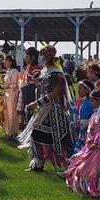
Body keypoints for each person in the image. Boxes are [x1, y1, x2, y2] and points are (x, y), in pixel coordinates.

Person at [22, 45, 73, 173]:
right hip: (43, 109)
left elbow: (55, 92)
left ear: (49, 57)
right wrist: (36, 83)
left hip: (54, 110)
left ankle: (65, 165)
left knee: (59, 139)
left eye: (44, 56)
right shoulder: (45, 71)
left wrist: (36, 103)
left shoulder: (57, 73)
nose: (42, 58)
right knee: (35, 134)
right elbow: (43, 88)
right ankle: (39, 162)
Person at [64, 88, 100, 198]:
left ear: (99, 101)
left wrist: (96, 143)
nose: (91, 103)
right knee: (78, 161)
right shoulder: (97, 113)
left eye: (92, 101)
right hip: (90, 145)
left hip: (98, 147)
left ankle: (93, 187)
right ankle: (86, 184)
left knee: (89, 167)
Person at [17, 47, 42, 131]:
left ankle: (31, 132)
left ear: (33, 57)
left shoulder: (36, 68)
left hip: (32, 93)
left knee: (31, 113)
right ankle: (27, 131)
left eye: (27, 56)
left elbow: (37, 83)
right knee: (25, 113)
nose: (25, 58)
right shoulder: (28, 67)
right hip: (25, 92)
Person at [71, 80, 95, 154]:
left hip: (87, 133)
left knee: (84, 154)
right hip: (82, 132)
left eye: (80, 88)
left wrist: (77, 122)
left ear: (87, 90)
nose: (78, 90)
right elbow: (76, 110)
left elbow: (87, 121)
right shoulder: (83, 101)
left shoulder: (89, 103)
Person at [2, 55, 21, 138]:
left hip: (12, 94)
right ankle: (7, 131)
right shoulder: (8, 71)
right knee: (6, 112)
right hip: (6, 94)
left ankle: (12, 132)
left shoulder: (14, 71)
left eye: (6, 60)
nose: (4, 62)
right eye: (5, 60)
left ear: (11, 62)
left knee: (12, 113)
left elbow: (15, 84)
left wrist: (6, 87)